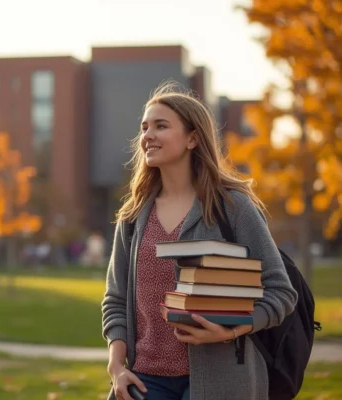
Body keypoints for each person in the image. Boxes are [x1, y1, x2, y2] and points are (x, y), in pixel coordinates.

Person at [101, 83, 298, 400]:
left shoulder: (232, 208)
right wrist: (116, 367)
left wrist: (233, 330)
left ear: (193, 138)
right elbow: (115, 300)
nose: (147, 135)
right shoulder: (133, 215)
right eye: (144, 127)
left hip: (222, 382)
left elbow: (280, 292)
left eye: (161, 126)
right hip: (146, 382)